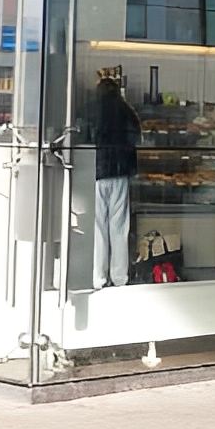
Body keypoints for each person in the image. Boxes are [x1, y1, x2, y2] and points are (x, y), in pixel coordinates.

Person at [91, 72, 140, 290]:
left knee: (98, 226)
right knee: (119, 226)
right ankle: (119, 277)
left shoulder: (91, 109)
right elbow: (136, 136)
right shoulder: (126, 110)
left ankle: (98, 277)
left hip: (97, 173)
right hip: (120, 174)